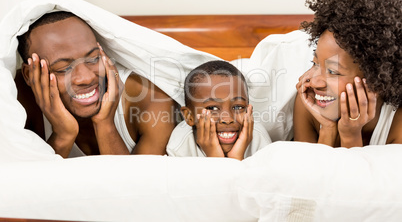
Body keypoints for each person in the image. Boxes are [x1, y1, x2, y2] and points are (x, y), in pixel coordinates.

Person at [15, 11, 178, 158]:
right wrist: (62, 134)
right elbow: (28, 188)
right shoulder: (18, 102)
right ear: (30, 75)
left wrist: (105, 125)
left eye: (93, 58)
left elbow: (138, 189)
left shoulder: (150, 99)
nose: (85, 78)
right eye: (63, 68)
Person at [293, 0, 402, 148]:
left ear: (378, 80)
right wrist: (327, 130)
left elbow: (353, 174)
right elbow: (310, 172)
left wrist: (350, 135)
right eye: (315, 64)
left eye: (333, 71)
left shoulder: (397, 124)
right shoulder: (309, 105)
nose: (315, 82)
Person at [166, 60, 271, 160]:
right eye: (212, 108)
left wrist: (236, 158)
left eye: (238, 107)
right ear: (189, 117)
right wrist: (215, 158)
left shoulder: (259, 139)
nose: (228, 119)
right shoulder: (180, 146)